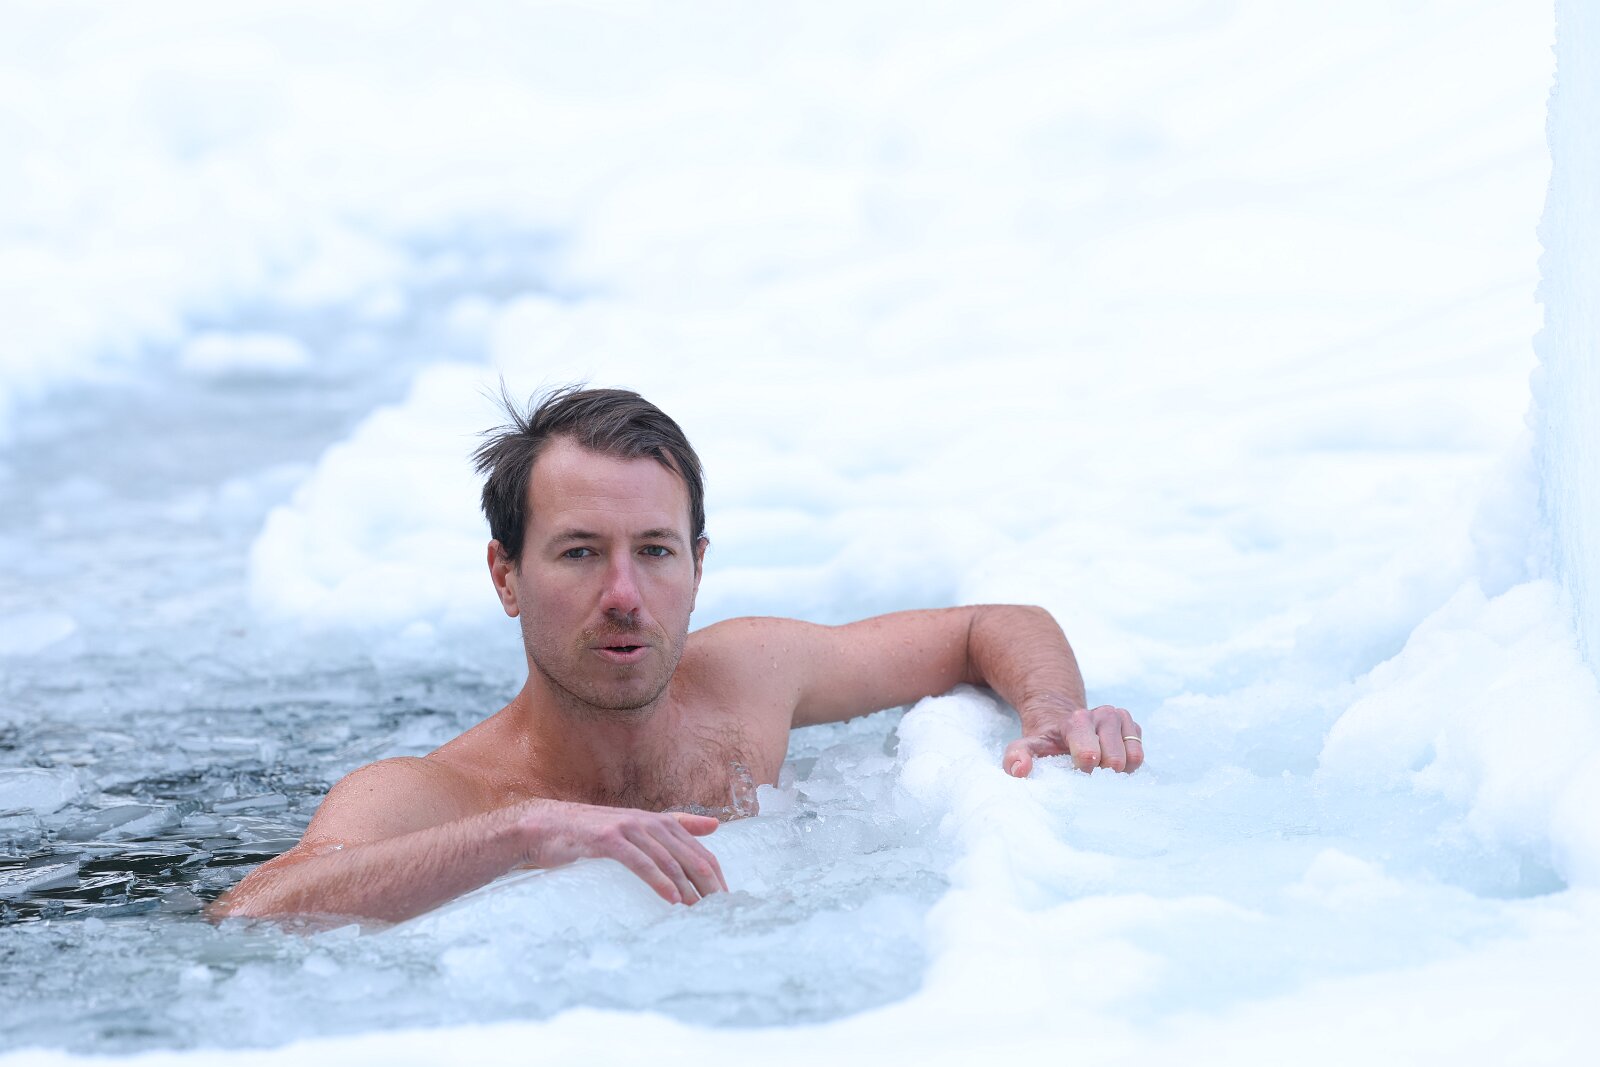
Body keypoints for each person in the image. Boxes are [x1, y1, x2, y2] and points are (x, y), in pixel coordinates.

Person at [213, 387, 1142, 923]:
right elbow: (251, 910)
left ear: (697, 567)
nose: (625, 593)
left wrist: (1052, 711)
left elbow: (990, 626)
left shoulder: (750, 678)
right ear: (506, 576)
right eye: (581, 552)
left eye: (655, 551)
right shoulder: (435, 796)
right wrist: (523, 832)